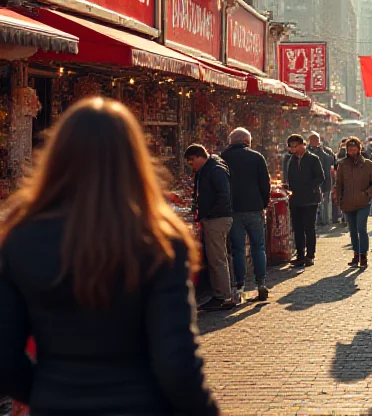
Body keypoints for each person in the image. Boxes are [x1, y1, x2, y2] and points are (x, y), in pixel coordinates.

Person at [0, 97, 219, 415]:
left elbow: (4, 356)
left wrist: (49, 391)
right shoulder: (158, 239)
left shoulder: (20, 237)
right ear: (133, 159)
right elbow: (176, 361)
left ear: (57, 156)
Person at [221, 127, 271, 303]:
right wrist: (263, 204)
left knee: (238, 249)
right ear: (247, 141)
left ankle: (239, 286)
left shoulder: (223, 157)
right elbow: (265, 184)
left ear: (231, 141)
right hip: (254, 208)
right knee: (259, 247)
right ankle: (261, 284)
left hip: (233, 209)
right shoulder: (257, 157)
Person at [185, 143, 234, 311]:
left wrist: (209, 213)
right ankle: (221, 293)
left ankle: (223, 296)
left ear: (199, 157)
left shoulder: (215, 169)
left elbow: (223, 195)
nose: (191, 166)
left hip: (217, 219)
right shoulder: (206, 169)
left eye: (191, 162)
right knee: (216, 258)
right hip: (214, 217)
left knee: (217, 258)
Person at [335, 137, 372, 268]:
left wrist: (367, 193)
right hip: (348, 202)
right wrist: (339, 199)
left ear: (359, 149)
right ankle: (356, 255)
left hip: (363, 203)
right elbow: (339, 183)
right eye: (349, 149)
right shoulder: (342, 164)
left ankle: (363, 255)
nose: (352, 151)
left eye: (354, 148)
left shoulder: (367, 164)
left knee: (361, 228)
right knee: (353, 230)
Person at [285, 134, 324, 269]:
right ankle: (300, 255)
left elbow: (320, 177)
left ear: (302, 145)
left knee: (309, 227)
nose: (292, 150)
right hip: (295, 199)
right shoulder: (290, 160)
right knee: (297, 228)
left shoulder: (313, 159)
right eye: (290, 147)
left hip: (310, 199)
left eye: (294, 147)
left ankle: (310, 255)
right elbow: (289, 178)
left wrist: (309, 187)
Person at [308, 132, 335, 226]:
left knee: (323, 202)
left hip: (321, 181)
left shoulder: (323, 153)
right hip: (319, 182)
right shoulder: (325, 153)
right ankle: (323, 220)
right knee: (322, 202)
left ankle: (324, 220)